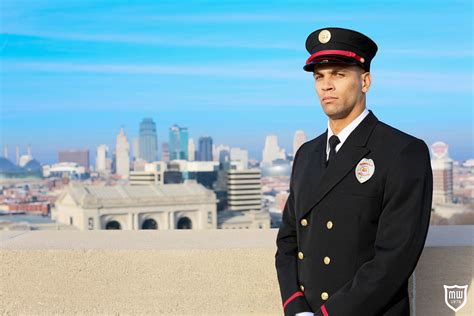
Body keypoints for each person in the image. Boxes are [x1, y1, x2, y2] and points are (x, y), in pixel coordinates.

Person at [275, 27, 433, 316]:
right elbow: (288, 240)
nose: (326, 86)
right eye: (319, 76)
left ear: (365, 81)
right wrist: (295, 307)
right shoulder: (306, 155)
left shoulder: (402, 152)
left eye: (338, 74)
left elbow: (395, 258)